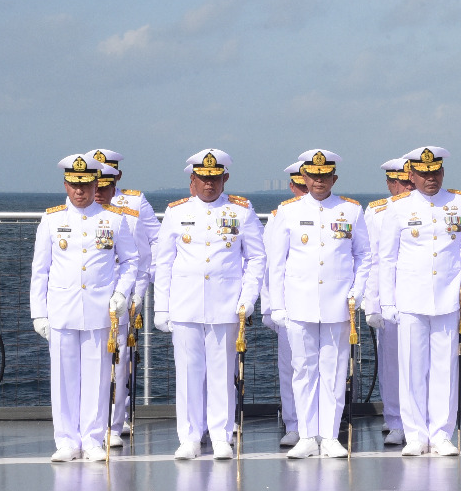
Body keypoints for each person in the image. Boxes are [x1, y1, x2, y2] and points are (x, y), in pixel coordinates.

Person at [152, 149, 264, 460]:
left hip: (225, 306)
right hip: (185, 305)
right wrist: (162, 307)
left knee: (221, 375)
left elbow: (257, 258)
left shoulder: (241, 211)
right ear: (193, 179)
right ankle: (189, 437)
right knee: (188, 374)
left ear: (225, 178)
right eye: (203, 178)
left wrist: (248, 298)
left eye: (215, 178)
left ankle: (220, 436)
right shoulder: (175, 212)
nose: (209, 184)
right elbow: (163, 262)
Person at [377, 146, 461, 456]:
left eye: (435, 172)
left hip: (447, 298)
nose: (431, 178)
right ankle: (415, 435)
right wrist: (387, 302)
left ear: (442, 172)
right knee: (412, 369)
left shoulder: (460, 202)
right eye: (424, 173)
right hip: (410, 300)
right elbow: (386, 258)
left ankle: (441, 434)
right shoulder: (397, 207)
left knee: (444, 370)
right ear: (411, 175)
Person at [30, 154, 139, 462]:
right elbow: (40, 270)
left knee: (97, 378)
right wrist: (39, 313)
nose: (80, 191)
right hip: (62, 311)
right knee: (63, 379)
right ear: (66, 185)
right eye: (74, 185)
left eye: (87, 185)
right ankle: (66, 440)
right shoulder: (52, 220)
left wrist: (121, 293)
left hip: (99, 312)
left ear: (95, 185)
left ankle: (92, 439)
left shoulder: (114, 219)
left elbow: (131, 261)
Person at [264, 150, 371, 458]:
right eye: (313, 176)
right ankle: (307, 436)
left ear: (334, 178)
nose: (319, 181)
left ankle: (330, 435)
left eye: (325, 176)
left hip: (338, 305)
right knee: (303, 371)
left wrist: (357, 292)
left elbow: (364, 255)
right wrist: (277, 305)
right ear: (305, 178)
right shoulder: (288, 211)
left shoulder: (351, 211)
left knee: (334, 373)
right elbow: (276, 264)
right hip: (299, 305)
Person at [88, 149, 159, 437]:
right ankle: (92, 420)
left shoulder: (134, 202)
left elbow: (156, 242)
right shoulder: (83, 207)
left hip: (126, 291)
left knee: (121, 360)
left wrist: (143, 286)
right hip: (93, 291)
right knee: (92, 359)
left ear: (117, 175)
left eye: (108, 175)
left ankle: (116, 421)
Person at [364, 156, 412, 446]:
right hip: (389, 299)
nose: (406, 188)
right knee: (392, 363)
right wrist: (372, 304)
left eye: (409, 182)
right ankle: (395, 420)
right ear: (390, 184)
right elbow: (372, 260)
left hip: (418, 296)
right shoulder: (377, 212)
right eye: (400, 183)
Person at [265, 161, 308, 447]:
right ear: (293, 186)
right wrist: (270, 308)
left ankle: (320, 425)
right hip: (289, 306)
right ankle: (293, 424)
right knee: (290, 368)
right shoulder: (279, 216)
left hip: (320, 304)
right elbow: (271, 266)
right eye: (301, 186)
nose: (306, 191)